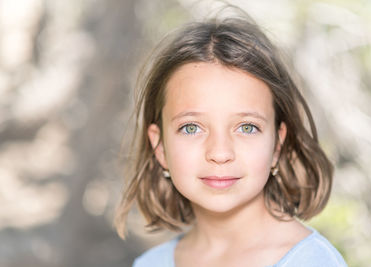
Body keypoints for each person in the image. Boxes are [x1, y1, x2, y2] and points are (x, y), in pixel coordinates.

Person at [114, 11, 348, 267]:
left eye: (246, 127)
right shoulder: (149, 264)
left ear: (277, 145)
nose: (220, 152)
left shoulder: (312, 262)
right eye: (191, 128)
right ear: (160, 147)